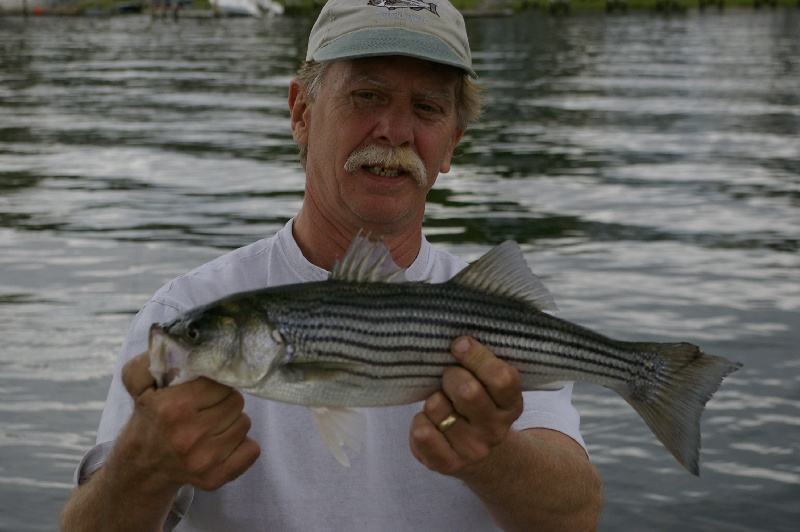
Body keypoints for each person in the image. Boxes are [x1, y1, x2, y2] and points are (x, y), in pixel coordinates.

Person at [60, 0, 603, 530]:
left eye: (427, 108)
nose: (394, 129)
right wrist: (140, 471)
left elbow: (577, 517)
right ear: (301, 113)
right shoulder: (181, 311)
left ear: (451, 144)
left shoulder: (497, 315)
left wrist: (494, 456)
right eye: (367, 95)